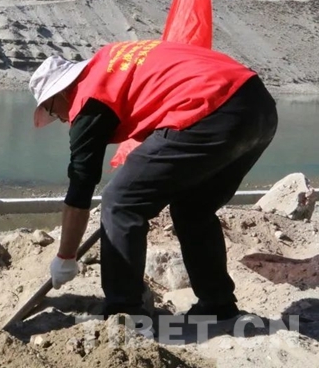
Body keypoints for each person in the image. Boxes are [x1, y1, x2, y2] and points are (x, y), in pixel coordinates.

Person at [29, 39, 278, 323]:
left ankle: (125, 313)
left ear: (62, 92)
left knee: (120, 202)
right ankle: (217, 305)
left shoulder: (88, 99)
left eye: (52, 111)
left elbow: (80, 187)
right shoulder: (109, 63)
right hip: (258, 106)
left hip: (209, 107)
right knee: (193, 208)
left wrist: (65, 257)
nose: (61, 120)